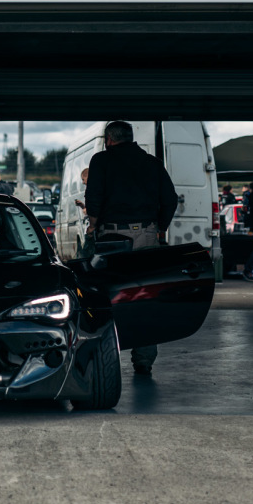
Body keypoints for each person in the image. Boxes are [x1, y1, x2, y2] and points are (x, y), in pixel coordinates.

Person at [84, 120, 179, 376]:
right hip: (146, 234)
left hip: (111, 235)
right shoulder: (152, 163)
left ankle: (106, 354)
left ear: (109, 139)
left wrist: (93, 225)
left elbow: (93, 197)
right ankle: (144, 360)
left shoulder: (101, 161)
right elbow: (170, 199)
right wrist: (158, 228)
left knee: (108, 295)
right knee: (144, 295)